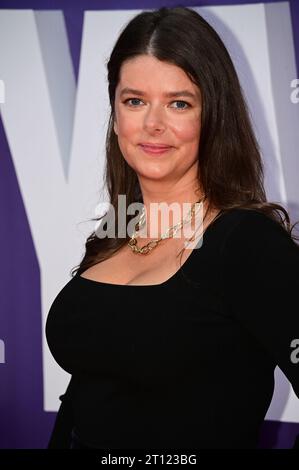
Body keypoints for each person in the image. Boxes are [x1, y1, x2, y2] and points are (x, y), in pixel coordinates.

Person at [45, 6, 299, 449]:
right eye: (135, 101)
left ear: (213, 114)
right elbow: (91, 389)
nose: (153, 124)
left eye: (179, 103)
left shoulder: (246, 244)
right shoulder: (116, 230)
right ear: (116, 112)